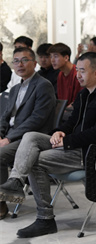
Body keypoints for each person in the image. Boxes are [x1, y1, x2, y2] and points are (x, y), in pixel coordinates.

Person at [0, 52, 96, 237]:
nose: (78, 75)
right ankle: (16, 180)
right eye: (77, 71)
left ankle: (45, 219)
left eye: (82, 71)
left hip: (94, 152)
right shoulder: (84, 93)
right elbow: (71, 123)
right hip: (77, 145)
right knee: (30, 136)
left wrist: (67, 141)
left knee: (35, 161)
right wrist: (59, 132)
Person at [0, 47, 56, 219]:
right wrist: (1, 134)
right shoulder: (15, 88)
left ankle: (1, 203)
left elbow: (37, 119)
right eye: (16, 61)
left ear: (34, 63)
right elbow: (5, 116)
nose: (20, 64)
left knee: (0, 155)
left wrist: (8, 138)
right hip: (12, 134)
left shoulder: (43, 85)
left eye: (25, 60)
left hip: (30, 137)